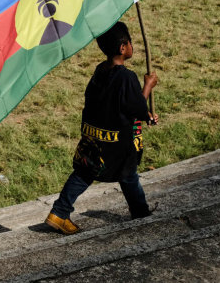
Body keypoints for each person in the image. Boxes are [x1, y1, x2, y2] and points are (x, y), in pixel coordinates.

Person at [45, 21, 159, 235]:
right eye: (130, 42)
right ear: (123, 48)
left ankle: (59, 213)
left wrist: (146, 115)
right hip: (117, 143)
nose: (133, 46)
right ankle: (141, 214)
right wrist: (147, 87)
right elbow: (135, 107)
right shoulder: (127, 77)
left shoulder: (100, 70)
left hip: (95, 138)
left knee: (84, 172)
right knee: (128, 174)